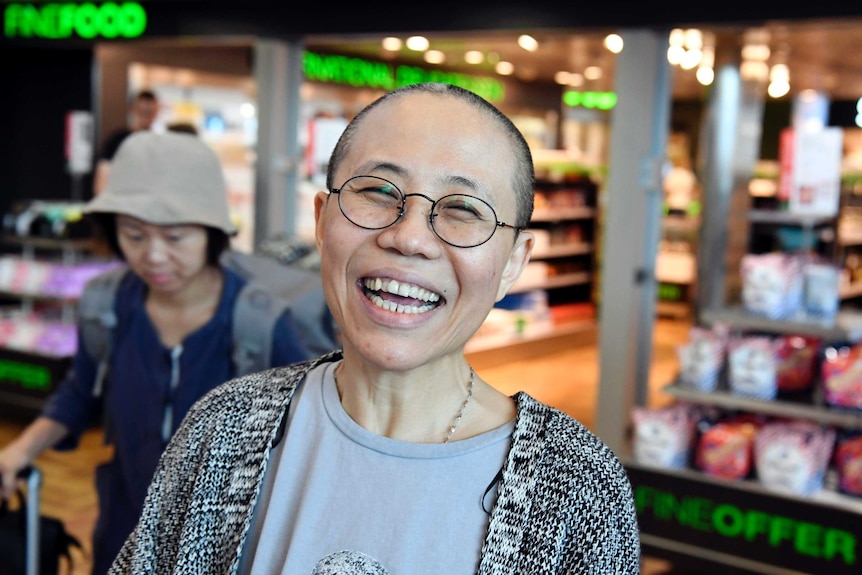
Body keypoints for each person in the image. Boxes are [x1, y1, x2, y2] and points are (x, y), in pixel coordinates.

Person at [108, 83, 640, 574]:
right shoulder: (219, 430)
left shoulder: (579, 490)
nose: (409, 238)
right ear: (321, 220)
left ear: (512, 263)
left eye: (462, 208)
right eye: (379, 192)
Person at [0, 131, 312, 575]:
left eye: (176, 237)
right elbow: (78, 394)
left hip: (225, 550)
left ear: (211, 233)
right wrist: (17, 452)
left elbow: (302, 436)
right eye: (134, 235)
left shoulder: (259, 322)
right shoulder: (107, 305)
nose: (154, 256)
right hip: (123, 533)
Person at [93, 89, 160, 195]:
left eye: (150, 112)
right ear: (133, 109)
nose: (146, 116)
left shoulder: (159, 144)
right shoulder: (117, 140)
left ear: (156, 112)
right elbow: (102, 178)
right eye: (142, 111)